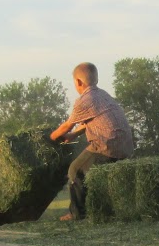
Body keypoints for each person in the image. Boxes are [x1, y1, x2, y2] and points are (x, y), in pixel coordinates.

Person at [49, 63, 136, 221]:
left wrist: (51, 138)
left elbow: (66, 126)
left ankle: (77, 214)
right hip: (126, 146)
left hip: (107, 145)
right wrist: (74, 135)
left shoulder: (84, 100)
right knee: (98, 177)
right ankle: (103, 211)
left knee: (75, 170)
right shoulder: (104, 95)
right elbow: (93, 120)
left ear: (78, 82)